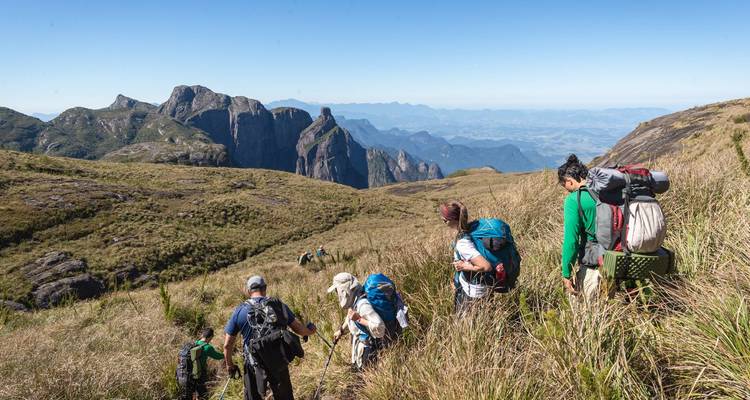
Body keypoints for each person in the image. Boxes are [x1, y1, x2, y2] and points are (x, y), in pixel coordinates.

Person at [223, 275, 317, 400]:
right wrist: (310, 331)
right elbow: (299, 329)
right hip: (278, 361)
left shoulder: (240, 311)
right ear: (265, 288)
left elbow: (227, 345)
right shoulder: (279, 305)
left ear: (248, 290)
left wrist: (230, 365)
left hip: (253, 364)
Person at [558, 154, 600, 303]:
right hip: (622, 256)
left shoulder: (574, 200)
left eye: (565, 187)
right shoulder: (605, 192)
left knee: (582, 308)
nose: (567, 191)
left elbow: (571, 240)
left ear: (569, 181)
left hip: (595, 262)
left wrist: (566, 273)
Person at [439, 201, 493, 312]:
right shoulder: (471, 227)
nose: (443, 221)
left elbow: (486, 266)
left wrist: (464, 267)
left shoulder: (463, 243)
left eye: (445, 220)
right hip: (479, 286)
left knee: (466, 321)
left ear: (453, 220)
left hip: (473, 292)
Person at [327, 272, 387, 370]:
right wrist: (341, 331)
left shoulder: (362, 305)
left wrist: (359, 319)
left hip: (368, 351)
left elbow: (380, 327)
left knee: (365, 377)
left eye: (337, 290)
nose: (337, 294)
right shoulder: (355, 301)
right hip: (360, 349)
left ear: (344, 290)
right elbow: (350, 319)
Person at [179, 328, 225, 400]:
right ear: (210, 337)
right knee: (203, 394)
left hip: (189, 373)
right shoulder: (207, 347)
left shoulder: (194, 343)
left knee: (192, 393)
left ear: (202, 335)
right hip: (199, 374)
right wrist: (226, 354)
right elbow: (218, 356)